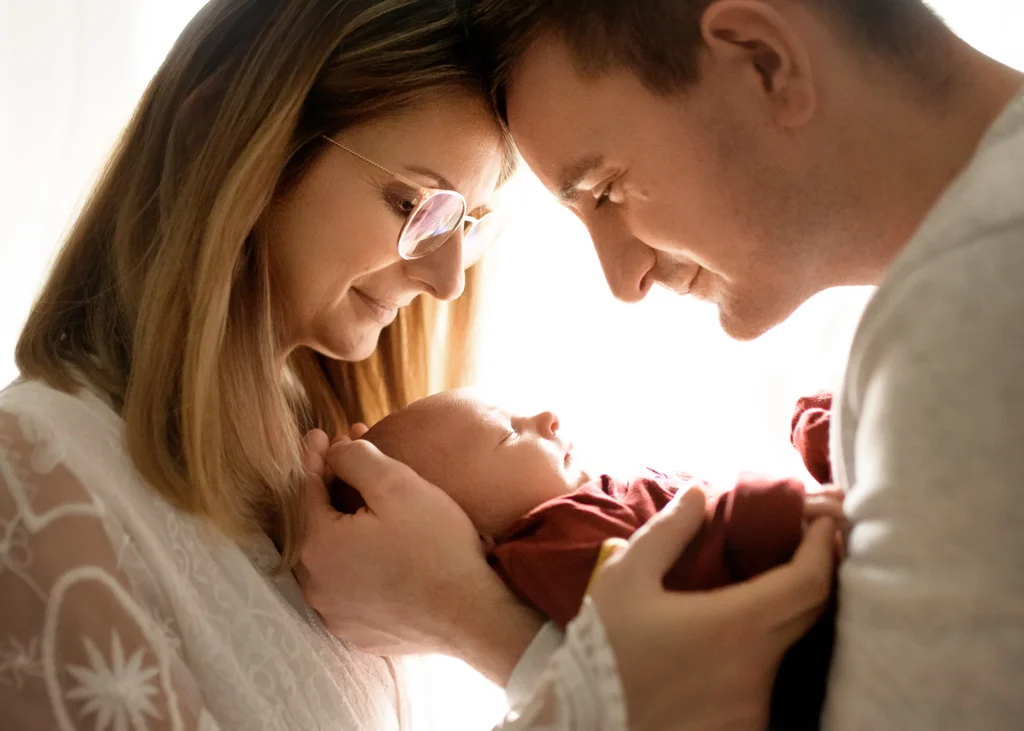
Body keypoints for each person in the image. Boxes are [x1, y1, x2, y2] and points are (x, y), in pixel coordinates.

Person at [0, 1, 838, 730]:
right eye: (414, 205)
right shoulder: (31, 480)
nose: (443, 280)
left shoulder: (373, 515)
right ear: (227, 135)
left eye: (468, 223)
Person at [466, 0, 1024, 727]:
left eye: (607, 189)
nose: (622, 278)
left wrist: (508, 641)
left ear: (764, 61)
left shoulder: (971, 313)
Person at [337, 388, 843, 730]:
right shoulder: (554, 545)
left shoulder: (579, 515)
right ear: (475, 536)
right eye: (510, 433)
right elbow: (694, 569)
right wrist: (775, 507)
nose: (545, 418)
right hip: (800, 630)